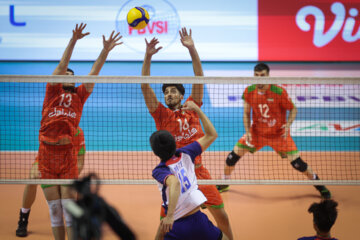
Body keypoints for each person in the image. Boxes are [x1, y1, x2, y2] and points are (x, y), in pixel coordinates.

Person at [141, 28, 233, 239]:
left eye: (174, 91)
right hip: (176, 177)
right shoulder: (161, 115)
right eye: (166, 92)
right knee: (164, 223)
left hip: (200, 172)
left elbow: (199, 76)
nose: (169, 94)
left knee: (223, 217)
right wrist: (148, 56)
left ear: (182, 95)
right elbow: (144, 85)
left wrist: (191, 48)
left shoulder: (193, 107)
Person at [37, 23, 122, 240]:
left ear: (74, 80)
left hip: (67, 157)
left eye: (70, 74)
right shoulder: (52, 92)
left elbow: (94, 72)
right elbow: (62, 63)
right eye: (63, 73)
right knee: (54, 210)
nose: (66, 74)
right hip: (46, 156)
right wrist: (73, 40)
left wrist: (105, 50)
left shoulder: (80, 95)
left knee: (67, 208)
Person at [216, 63, 332, 200]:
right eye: (256, 76)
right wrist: (248, 131)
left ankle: (320, 186)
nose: (259, 79)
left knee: (298, 164)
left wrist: (288, 125)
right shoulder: (249, 91)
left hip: (278, 134)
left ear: (268, 76)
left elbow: (293, 109)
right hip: (257, 133)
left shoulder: (279, 92)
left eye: (262, 76)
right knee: (232, 157)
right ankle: (224, 182)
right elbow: (246, 114)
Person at [151, 101, 228, 240]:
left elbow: (174, 183)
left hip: (175, 224)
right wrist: (197, 110)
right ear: (174, 143)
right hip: (197, 219)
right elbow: (212, 135)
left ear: (155, 152)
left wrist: (169, 217)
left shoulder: (159, 170)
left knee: (161, 231)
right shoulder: (185, 153)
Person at [16, 127, 86, 237]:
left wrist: (71, 179)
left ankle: (78, 220)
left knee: (72, 194)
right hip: (46, 161)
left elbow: (80, 161)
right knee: (32, 179)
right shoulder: (49, 128)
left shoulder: (77, 132)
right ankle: (23, 217)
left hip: (68, 165)